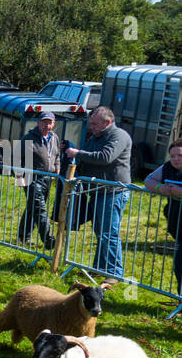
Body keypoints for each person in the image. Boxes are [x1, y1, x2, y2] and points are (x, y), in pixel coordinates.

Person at [65, 106, 132, 280]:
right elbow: (86, 159)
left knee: (109, 232)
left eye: (94, 123)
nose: (91, 126)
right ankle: (99, 268)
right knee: (100, 232)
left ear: (107, 122)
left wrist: (78, 153)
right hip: (98, 191)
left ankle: (113, 272)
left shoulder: (119, 136)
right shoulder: (96, 137)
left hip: (113, 191)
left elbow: (105, 157)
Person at [18, 111, 62, 250]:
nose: (46, 125)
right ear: (38, 123)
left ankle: (22, 236)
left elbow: (57, 155)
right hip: (31, 177)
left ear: (53, 124)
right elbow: (18, 157)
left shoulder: (54, 137)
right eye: (44, 122)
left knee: (33, 207)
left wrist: (57, 167)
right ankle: (49, 240)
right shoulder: (29, 138)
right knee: (40, 209)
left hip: (47, 178)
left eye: (49, 123)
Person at [144, 139, 182, 295]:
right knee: (179, 266)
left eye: (180, 155)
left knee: (180, 264)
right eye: (172, 156)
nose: (175, 159)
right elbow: (148, 180)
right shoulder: (167, 167)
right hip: (178, 222)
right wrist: (161, 188)